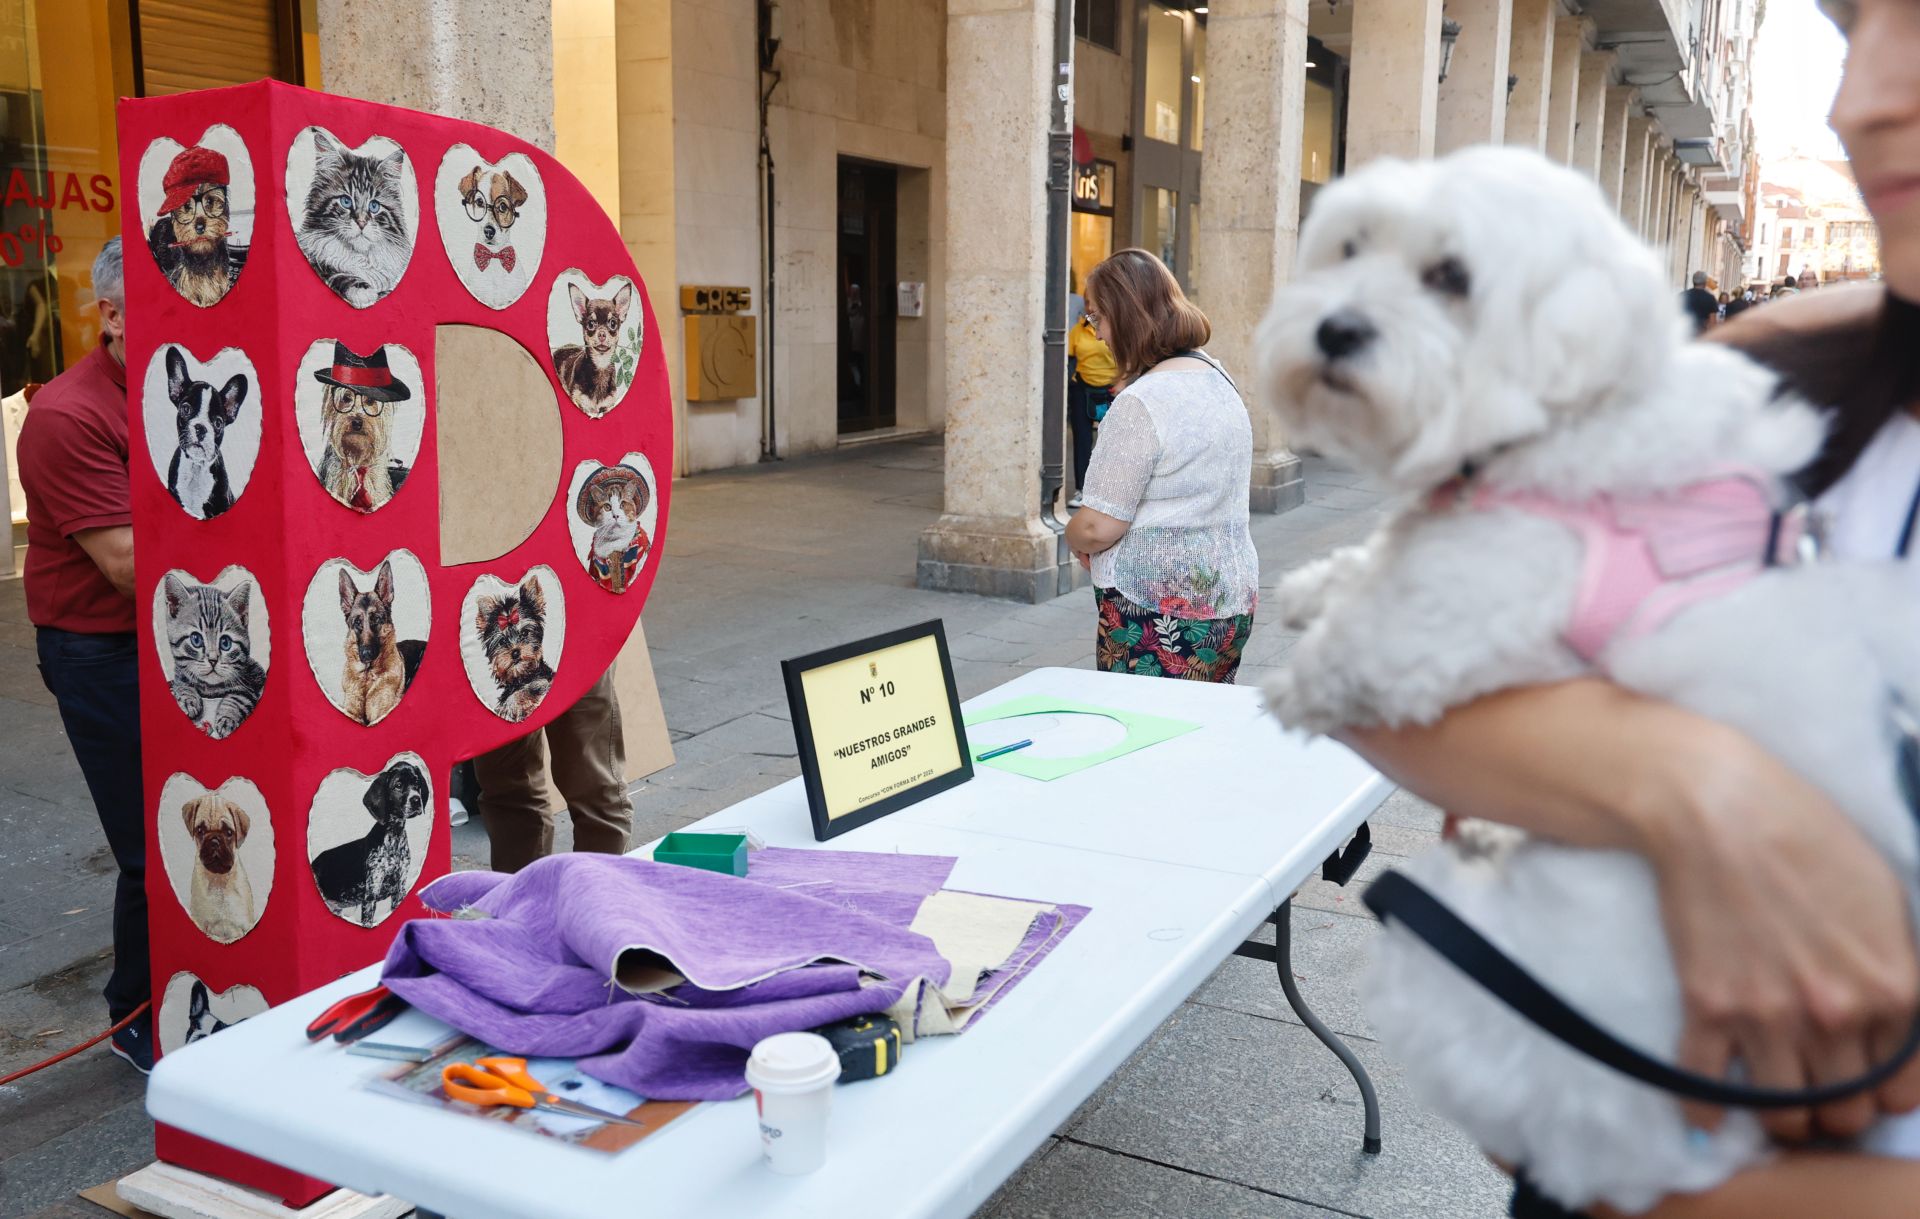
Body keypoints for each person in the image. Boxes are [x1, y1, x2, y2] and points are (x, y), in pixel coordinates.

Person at [1347, 0, 1920, 1209]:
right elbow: (1378, 633)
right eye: (1855, 18)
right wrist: (1699, 792)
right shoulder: (1792, 374)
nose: (1857, 98)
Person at [16, 238, 152, 1072]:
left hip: (177, 630)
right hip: (99, 649)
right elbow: (129, 567)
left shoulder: (179, 385)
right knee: (146, 840)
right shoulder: (69, 414)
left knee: (192, 820)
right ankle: (135, 1017)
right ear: (110, 314)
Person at [1065, 248, 1258, 682]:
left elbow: (1098, 527)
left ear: (1127, 315)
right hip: (1229, 599)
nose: (1097, 335)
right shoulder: (1217, 379)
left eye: (1099, 319)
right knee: (1199, 728)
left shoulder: (1142, 401)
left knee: (1146, 734)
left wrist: (1071, 534)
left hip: (1155, 613)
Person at [473, 670, 633, 873]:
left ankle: (599, 898)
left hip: (578, 645)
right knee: (507, 790)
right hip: (488, 652)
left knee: (594, 787)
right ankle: (523, 897)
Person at [1065, 306, 1117, 509]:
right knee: (1083, 440)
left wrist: (1120, 384)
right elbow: (1069, 357)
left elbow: (1127, 358)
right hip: (1082, 389)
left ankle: (1109, 492)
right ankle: (1082, 490)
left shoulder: (1116, 327)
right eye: (1088, 303)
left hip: (1109, 391)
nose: (1091, 308)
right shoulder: (1078, 330)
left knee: (1111, 439)